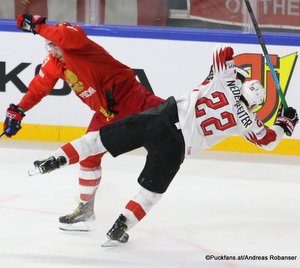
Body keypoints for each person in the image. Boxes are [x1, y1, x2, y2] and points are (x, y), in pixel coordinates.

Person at [30, 46, 298, 246]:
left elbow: (223, 52)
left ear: (241, 83)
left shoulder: (223, 80)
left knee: (98, 139)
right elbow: (269, 141)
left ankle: (55, 160)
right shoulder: (249, 121)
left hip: (161, 117)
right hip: (176, 147)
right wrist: (285, 123)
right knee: (150, 193)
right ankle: (118, 227)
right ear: (254, 105)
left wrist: (232, 69)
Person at [3, 14, 164, 231]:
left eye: (54, 45)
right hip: (105, 112)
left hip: (131, 98)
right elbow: (38, 88)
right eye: (48, 46)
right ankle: (86, 209)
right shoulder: (53, 62)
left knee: (174, 124)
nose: (52, 50)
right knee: (88, 156)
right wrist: (20, 110)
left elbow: (63, 37)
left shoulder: (77, 40)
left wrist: (38, 26)